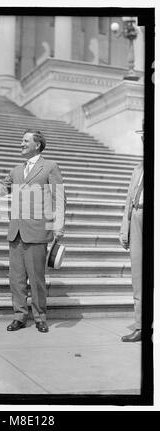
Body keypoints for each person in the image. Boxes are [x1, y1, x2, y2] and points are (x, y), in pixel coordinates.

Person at [0, 130, 66, 332]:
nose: (21, 144)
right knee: (16, 278)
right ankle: (19, 316)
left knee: (37, 278)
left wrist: (58, 225)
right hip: (16, 232)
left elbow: (59, 197)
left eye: (25, 141)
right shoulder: (16, 170)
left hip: (37, 231)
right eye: (21, 140)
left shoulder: (50, 167)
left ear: (37, 145)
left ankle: (40, 317)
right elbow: (0, 190)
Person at [119, 123, 144, 342]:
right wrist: (124, 229)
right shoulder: (138, 168)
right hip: (137, 218)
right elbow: (128, 201)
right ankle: (141, 326)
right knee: (138, 275)